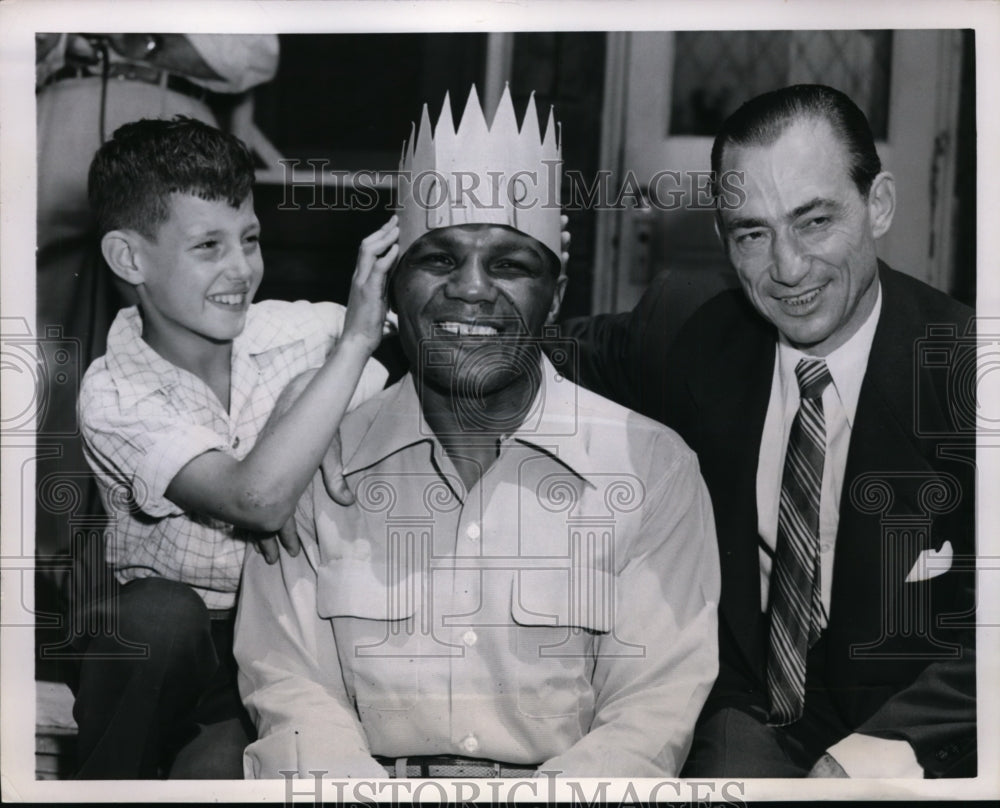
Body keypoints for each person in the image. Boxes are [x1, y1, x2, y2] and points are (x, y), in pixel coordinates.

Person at [234, 86, 720, 779]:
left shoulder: (651, 471)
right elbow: (290, 692)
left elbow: (649, 717)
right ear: (391, 287)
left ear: (554, 296)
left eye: (509, 264)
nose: (469, 288)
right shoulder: (319, 464)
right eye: (437, 259)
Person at [560, 84, 975, 778]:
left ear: (879, 205)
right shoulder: (689, 330)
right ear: (724, 239)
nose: (787, 269)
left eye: (813, 222)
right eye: (753, 233)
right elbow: (518, 354)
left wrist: (879, 752)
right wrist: (352, 338)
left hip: (907, 732)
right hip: (746, 715)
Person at [74, 116, 398, 778]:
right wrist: (337, 373)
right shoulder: (112, 395)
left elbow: (409, 321)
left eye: (249, 239)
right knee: (157, 616)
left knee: (218, 772)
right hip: (168, 652)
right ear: (129, 258)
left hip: (277, 645)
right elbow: (254, 500)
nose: (241, 269)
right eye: (208, 246)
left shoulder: (283, 332)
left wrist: (315, 389)